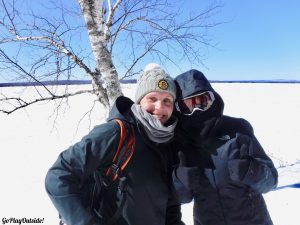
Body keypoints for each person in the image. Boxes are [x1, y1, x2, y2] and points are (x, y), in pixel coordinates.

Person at [45, 63, 185, 225]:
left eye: (167, 100)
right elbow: (58, 175)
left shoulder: (167, 141)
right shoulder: (116, 133)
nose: (159, 107)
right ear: (139, 101)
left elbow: (170, 204)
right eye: (152, 99)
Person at [172, 69, 278, 225]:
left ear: (213, 99)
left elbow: (272, 181)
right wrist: (180, 179)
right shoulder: (181, 142)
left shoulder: (238, 129)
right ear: (178, 109)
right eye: (188, 106)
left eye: (202, 102)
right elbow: (181, 197)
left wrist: (251, 170)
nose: (197, 110)